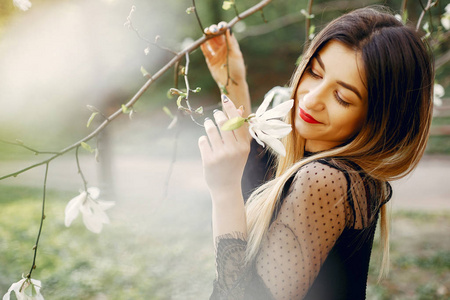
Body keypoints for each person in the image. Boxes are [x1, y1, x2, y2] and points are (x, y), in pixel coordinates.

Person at [198, 6, 434, 299]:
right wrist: (233, 81)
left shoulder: (323, 180)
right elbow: (263, 176)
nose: (311, 98)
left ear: (377, 118)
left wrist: (223, 190)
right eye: (314, 72)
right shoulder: (332, 166)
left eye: (342, 97)